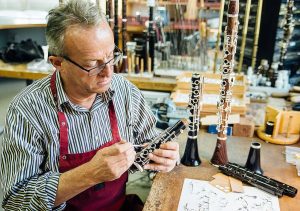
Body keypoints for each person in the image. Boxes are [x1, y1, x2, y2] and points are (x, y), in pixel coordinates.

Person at [0, 0, 180, 210]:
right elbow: (15, 200)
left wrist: (164, 158)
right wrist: (90, 173)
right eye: (91, 65)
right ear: (58, 63)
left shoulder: (124, 92)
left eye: (111, 57)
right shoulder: (27, 111)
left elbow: (150, 145)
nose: (108, 73)